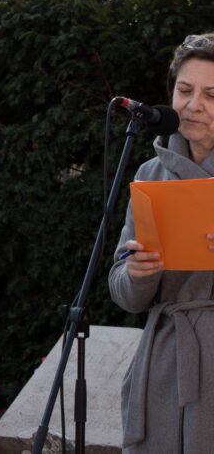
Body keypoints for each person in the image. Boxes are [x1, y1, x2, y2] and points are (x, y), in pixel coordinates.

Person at [109, 33, 214, 454]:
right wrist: (136, 274)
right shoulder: (152, 173)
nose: (194, 104)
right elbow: (122, 290)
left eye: (211, 94)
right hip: (166, 361)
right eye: (184, 90)